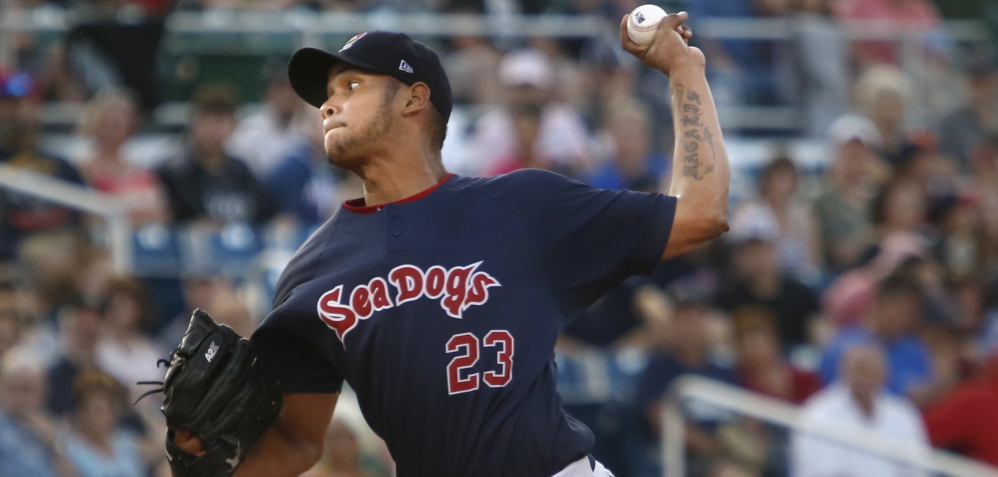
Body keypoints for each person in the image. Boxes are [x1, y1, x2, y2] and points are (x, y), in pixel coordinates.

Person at [173, 15, 731, 476]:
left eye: (352, 86)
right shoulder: (310, 272)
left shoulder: (523, 207)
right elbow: (297, 443)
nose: (327, 104)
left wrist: (684, 71)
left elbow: (701, 212)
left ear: (414, 99)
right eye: (327, 94)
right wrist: (197, 465)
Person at [792, 344, 929, 477]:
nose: (865, 377)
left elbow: (918, 469)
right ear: (843, 372)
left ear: (885, 374)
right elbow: (822, 472)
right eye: (859, 369)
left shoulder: (903, 414)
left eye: (872, 370)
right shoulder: (818, 414)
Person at [156, 86, 278, 226]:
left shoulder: (241, 172)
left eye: (220, 121)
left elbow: (268, 214)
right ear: (193, 122)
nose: (213, 128)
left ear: (234, 125)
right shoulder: (174, 173)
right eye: (206, 119)